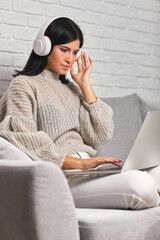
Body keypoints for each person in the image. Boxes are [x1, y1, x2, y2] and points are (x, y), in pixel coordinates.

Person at [0, 17, 159, 210]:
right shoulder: (24, 85)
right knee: (140, 183)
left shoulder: (73, 90)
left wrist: (85, 86)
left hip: (90, 172)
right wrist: (80, 164)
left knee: (157, 172)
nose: (70, 59)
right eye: (64, 50)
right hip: (65, 177)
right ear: (44, 47)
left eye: (75, 52)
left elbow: (102, 134)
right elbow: (25, 138)